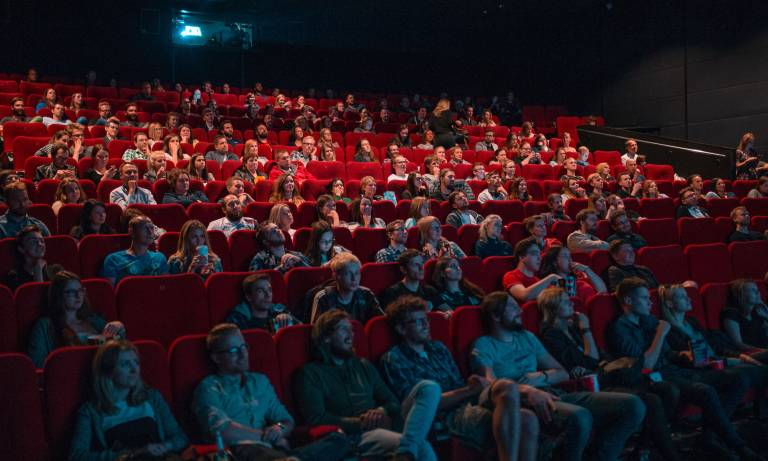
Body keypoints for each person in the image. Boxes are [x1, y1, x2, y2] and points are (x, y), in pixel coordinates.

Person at [473, 291, 646, 461]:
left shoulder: (527, 337)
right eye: (512, 307)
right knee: (580, 416)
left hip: (553, 392)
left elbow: (561, 373)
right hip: (523, 402)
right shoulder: (484, 345)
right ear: (495, 316)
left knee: (633, 405)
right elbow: (491, 384)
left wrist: (539, 377)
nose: (520, 311)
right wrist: (526, 390)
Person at [607, 278, 763, 461]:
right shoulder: (619, 328)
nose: (650, 302)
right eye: (644, 298)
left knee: (738, 379)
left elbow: (668, 354)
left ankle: (710, 436)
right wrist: (660, 334)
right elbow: (646, 365)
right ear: (628, 301)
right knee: (704, 391)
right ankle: (739, 447)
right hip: (655, 378)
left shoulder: (648, 321)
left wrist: (684, 355)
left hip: (676, 370)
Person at [381, 296, 537, 461]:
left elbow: (458, 384)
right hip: (443, 416)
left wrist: (472, 386)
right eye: (418, 321)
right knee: (524, 417)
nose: (426, 325)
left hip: (466, 403)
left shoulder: (438, 348)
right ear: (401, 329)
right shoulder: (395, 358)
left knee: (516, 399)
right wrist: (468, 390)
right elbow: (420, 406)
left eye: (426, 319)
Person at [537, 287, 684, 461]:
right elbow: (591, 360)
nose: (571, 302)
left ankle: (643, 448)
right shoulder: (551, 334)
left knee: (666, 390)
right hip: (590, 385)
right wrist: (586, 330)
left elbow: (597, 357)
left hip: (605, 375)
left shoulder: (572, 329)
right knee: (651, 400)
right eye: (563, 300)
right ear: (552, 307)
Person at [296, 310, 438, 461]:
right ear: (326, 337)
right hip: (357, 435)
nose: (351, 335)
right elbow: (316, 418)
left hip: (388, 421)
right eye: (344, 329)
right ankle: (407, 449)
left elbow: (393, 402)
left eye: (351, 329)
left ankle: (405, 450)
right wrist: (362, 423)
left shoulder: (363, 365)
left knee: (429, 387)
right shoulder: (310, 373)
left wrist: (380, 411)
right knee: (422, 448)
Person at [193, 324, 349, 461]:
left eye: (244, 347)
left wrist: (278, 429)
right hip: (242, 452)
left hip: (275, 451)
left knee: (338, 439)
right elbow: (221, 430)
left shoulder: (260, 381)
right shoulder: (208, 388)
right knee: (252, 449)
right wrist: (264, 436)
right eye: (233, 350)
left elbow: (286, 420)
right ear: (216, 358)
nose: (243, 355)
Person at [69, 340, 188, 461]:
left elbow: (180, 437)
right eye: (125, 364)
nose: (134, 370)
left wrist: (164, 446)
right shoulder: (90, 411)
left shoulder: (152, 397)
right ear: (108, 371)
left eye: (136, 362)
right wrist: (128, 454)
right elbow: (77, 456)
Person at [27, 271, 125, 368]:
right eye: (71, 292)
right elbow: (37, 364)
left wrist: (118, 328)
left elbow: (117, 349)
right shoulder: (45, 326)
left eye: (81, 290)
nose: (78, 296)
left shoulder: (94, 321)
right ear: (59, 295)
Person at [310, 253, 382, 324]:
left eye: (357, 273)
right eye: (348, 273)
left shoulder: (366, 294)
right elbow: (317, 331)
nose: (354, 278)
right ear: (336, 276)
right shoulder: (324, 298)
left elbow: (380, 323)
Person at [101, 216, 168, 285]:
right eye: (144, 228)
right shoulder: (114, 259)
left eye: (151, 228)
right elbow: (110, 292)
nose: (150, 232)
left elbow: (165, 288)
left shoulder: (160, 258)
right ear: (131, 232)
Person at [503, 238, 562, 303]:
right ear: (522, 257)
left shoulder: (537, 281)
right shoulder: (511, 276)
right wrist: (551, 278)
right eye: (534, 253)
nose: (540, 258)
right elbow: (523, 295)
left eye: (540, 254)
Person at [2, 225, 61, 290]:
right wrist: (38, 269)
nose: (39, 244)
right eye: (33, 241)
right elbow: (36, 297)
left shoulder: (55, 271)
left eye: (42, 241)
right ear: (21, 248)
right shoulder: (13, 276)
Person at [721, 279, 768, 351]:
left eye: (757, 290)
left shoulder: (757, 312)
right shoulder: (730, 314)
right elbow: (738, 344)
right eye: (752, 290)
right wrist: (764, 351)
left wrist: (764, 310)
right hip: (750, 354)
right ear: (741, 294)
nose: (758, 292)